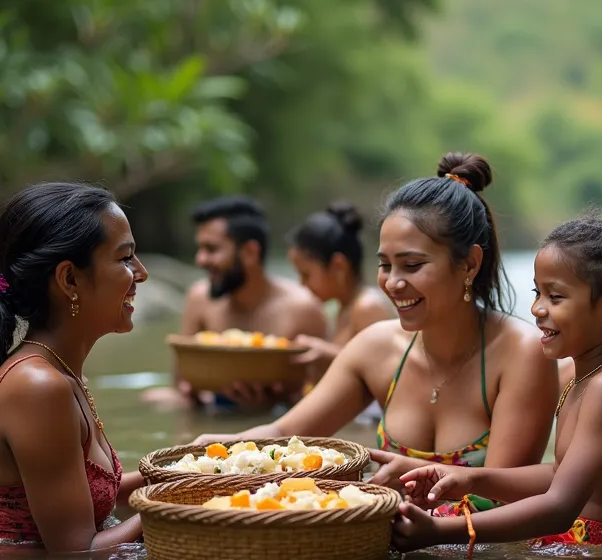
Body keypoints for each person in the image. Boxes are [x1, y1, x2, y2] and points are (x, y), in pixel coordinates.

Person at [193, 152, 559, 498]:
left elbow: (503, 498)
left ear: (469, 265)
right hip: (393, 536)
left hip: (474, 551)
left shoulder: (521, 352)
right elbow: (284, 432)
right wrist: (218, 447)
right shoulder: (376, 348)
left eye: (412, 265)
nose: (393, 283)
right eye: (385, 265)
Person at [390, 215, 602, 552]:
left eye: (556, 297)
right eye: (537, 293)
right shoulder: (587, 377)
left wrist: (443, 531)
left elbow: (560, 507)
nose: (536, 309)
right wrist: (466, 479)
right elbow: (558, 474)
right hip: (578, 552)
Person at [0, 182, 148, 551]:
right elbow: (77, 553)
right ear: (69, 279)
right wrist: (171, 506)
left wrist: (182, 472)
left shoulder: (62, 372)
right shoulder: (38, 386)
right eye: (125, 258)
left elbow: (91, 495)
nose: (141, 273)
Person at [175, 195, 327, 407]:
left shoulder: (302, 308)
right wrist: (195, 399)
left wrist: (274, 404)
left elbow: (325, 398)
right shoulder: (199, 299)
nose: (200, 260)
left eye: (211, 249)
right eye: (200, 249)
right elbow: (178, 386)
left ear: (249, 252)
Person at [285, 201, 396, 372]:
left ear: (338, 266)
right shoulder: (344, 308)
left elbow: (384, 370)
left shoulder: (368, 307)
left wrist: (327, 354)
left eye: (306, 274)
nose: (302, 284)